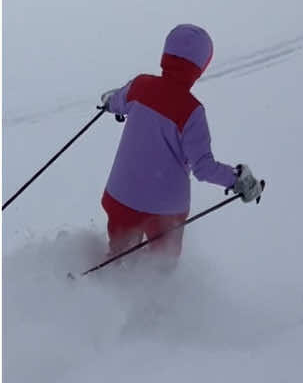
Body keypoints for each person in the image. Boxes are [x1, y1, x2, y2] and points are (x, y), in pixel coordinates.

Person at [99, 24, 261, 262]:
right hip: (165, 210)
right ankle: (159, 297)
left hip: (122, 196)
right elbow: (204, 168)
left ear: (165, 55)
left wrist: (109, 101)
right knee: (161, 270)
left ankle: (104, 289)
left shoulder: (141, 85)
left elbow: (115, 102)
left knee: (117, 258)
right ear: (200, 68)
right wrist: (238, 180)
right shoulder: (192, 111)